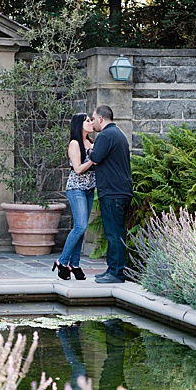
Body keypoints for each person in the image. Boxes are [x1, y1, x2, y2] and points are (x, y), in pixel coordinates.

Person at [89, 105, 133, 284]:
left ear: (101, 118)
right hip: (119, 191)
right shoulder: (118, 134)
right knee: (115, 232)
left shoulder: (106, 135)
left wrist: (90, 149)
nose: (92, 123)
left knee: (114, 233)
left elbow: (95, 158)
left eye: (93, 119)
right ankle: (112, 268)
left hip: (113, 192)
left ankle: (116, 273)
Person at [52, 113, 96, 281]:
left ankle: (75, 264)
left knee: (82, 228)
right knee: (80, 226)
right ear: (79, 124)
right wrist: (93, 159)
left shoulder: (91, 142)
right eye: (87, 121)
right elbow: (77, 169)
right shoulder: (74, 143)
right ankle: (62, 261)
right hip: (76, 188)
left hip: (90, 189)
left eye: (91, 120)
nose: (91, 123)